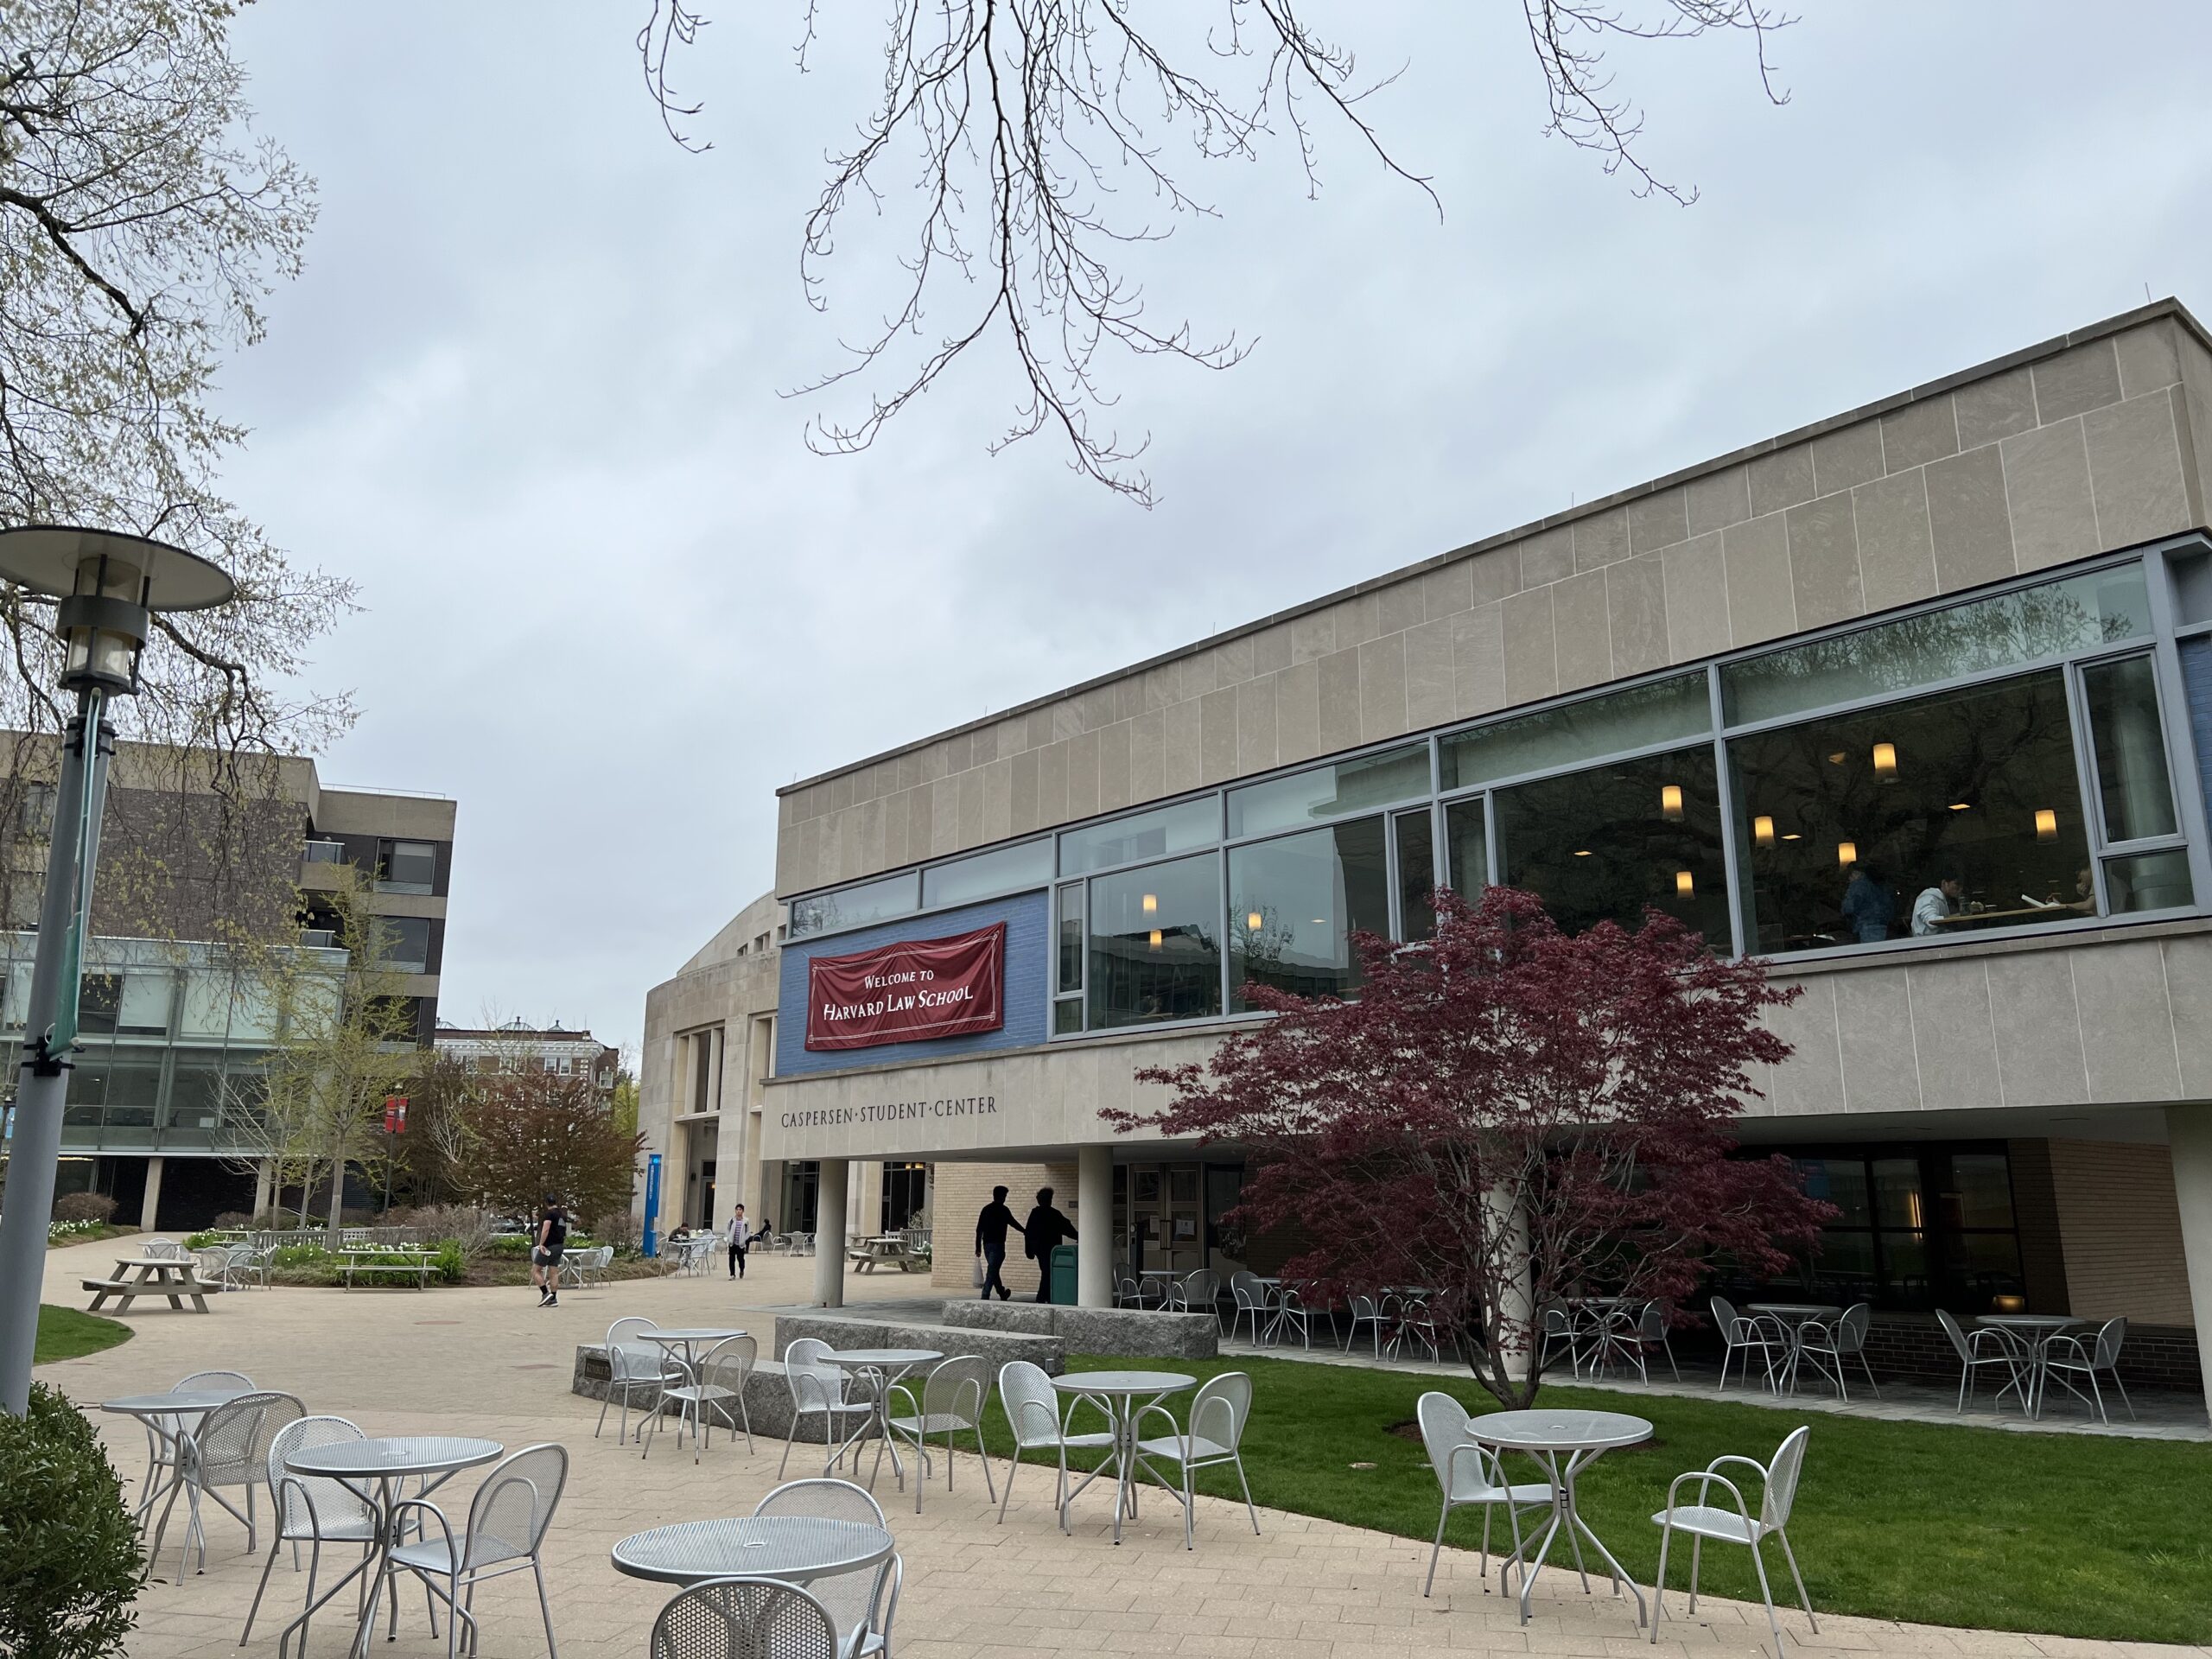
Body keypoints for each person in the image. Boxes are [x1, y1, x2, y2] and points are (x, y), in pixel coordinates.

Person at [1022, 1187, 1077, 1305]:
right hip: (1052, 1249)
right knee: (1048, 1272)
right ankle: (1043, 1297)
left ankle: (1044, 1296)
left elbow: (1029, 1233)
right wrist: (1079, 1237)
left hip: (1040, 1249)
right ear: (1050, 1200)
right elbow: (1067, 1228)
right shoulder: (1054, 1214)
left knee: (1046, 1271)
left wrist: (1029, 1251)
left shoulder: (1035, 1214)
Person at [974, 1186, 1023, 1301]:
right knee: (992, 1270)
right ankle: (985, 1294)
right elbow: (1013, 1223)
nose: (1005, 1198)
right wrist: (1025, 1231)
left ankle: (1002, 1293)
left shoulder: (986, 1209)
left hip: (987, 1245)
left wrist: (978, 1247)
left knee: (993, 1269)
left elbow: (979, 1229)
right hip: (998, 1244)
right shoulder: (1003, 1210)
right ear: (1002, 1196)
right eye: (1005, 1196)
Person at [1840, 863, 1893, 944]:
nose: (1849, 879)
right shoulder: (1879, 885)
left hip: (1865, 927)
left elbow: (1849, 908)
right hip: (1884, 925)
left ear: (1855, 873)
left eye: (1849, 876)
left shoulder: (1857, 885)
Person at [531, 1198, 568, 1308]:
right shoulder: (562, 1215)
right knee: (554, 1272)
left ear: (547, 1204)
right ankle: (554, 1298)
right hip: (559, 1246)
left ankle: (545, 1293)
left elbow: (546, 1228)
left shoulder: (549, 1214)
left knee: (535, 1271)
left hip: (549, 1246)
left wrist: (541, 1244)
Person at [1910, 870, 1966, 936]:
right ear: (1944, 883)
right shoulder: (1928, 897)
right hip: (1927, 942)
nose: (1960, 889)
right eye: (1957, 884)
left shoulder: (1943, 899)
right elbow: (1931, 921)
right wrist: (1960, 915)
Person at [725, 1204, 750, 1280]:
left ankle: (742, 1270)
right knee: (731, 1259)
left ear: (743, 1211)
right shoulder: (731, 1220)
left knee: (741, 1259)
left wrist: (744, 1240)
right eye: (737, 1210)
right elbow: (727, 1230)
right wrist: (729, 1238)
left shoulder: (746, 1221)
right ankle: (732, 1274)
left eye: (740, 1210)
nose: (738, 1211)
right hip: (732, 1243)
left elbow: (748, 1231)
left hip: (741, 1244)